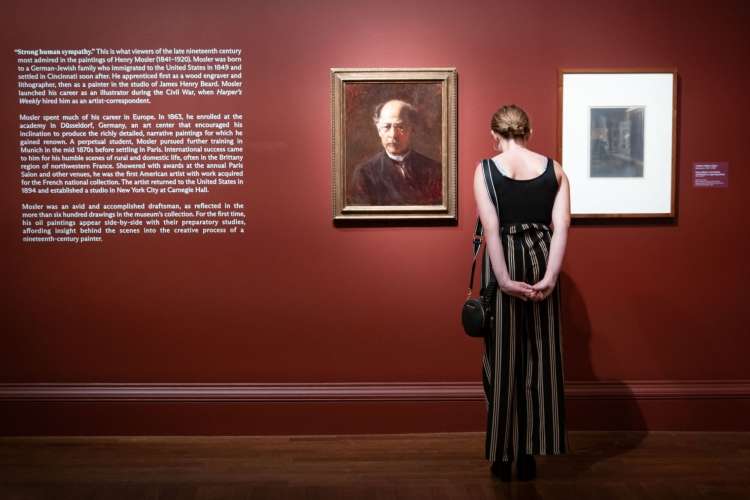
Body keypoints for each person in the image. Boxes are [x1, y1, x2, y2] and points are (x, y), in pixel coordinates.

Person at [473, 104, 570, 482]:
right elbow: (560, 227)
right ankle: (530, 452)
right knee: (540, 357)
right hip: (543, 256)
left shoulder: (485, 169)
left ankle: (502, 453)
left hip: (505, 261)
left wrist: (503, 280)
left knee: (501, 359)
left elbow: (492, 228)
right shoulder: (555, 169)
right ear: (528, 132)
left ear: (494, 135)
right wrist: (549, 277)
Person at [348, 99, 442, 205]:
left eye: (400, 127)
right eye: (387, 127)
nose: (393, 135)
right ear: (379, 131)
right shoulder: (365, 174)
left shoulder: (434, 169)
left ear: (412, 129)